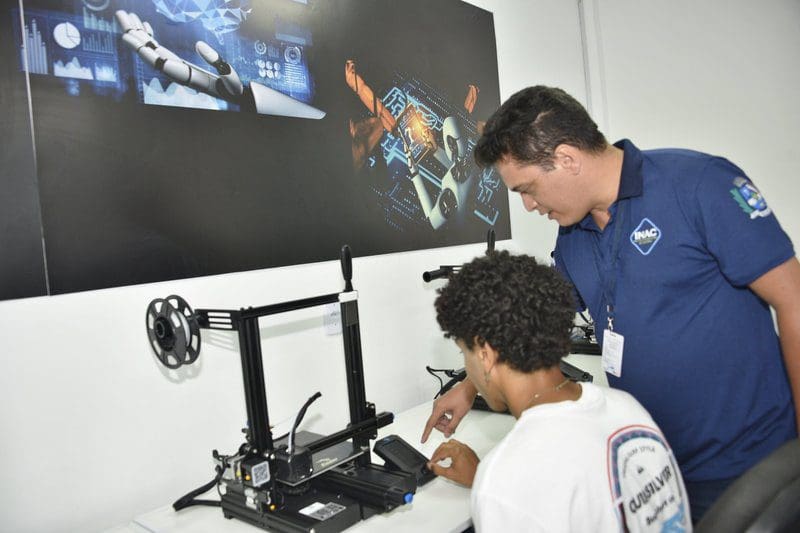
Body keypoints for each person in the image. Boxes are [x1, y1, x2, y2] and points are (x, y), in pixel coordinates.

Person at [422, 86, 800, 521]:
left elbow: (794, 303)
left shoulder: (698, 185)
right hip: (651, 466)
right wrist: (471, 384)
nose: (527, 205)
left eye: (527, 188)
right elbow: (528, 329)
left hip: (754, 463)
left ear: (566, 158)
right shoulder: (572, 236)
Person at [427, 250, 691, 532]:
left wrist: (492, 488)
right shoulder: (627, 408)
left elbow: (534, 490)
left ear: (485, 355)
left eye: (464, 353)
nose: (468, 368)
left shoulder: (505, 481)